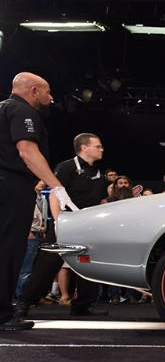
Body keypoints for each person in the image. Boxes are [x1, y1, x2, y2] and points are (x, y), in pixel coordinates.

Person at [1, 72, 75, 331]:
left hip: (8, 183)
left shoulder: (3, 108)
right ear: (34, 91)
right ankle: (3, 314)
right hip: (10, 187)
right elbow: (26, 150)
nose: (51, 97)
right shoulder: (23, 111)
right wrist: (56, 185)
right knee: (9, 249)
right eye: (47, 92)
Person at [15, 133, 109, 319]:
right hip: (66, 224)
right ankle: (23, 303)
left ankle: (82, 306)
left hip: (89, 227)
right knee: (47, 265)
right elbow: (54, 194)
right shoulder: (66, 167)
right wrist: (58, 222)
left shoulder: (98, 173)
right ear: (84, 148)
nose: (101, 149)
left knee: (89, 266)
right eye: (98, 146)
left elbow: (100, 200)